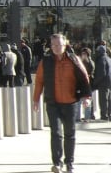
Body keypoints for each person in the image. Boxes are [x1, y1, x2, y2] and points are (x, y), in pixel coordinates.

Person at [33, 33, 91, 173]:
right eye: (54, 45)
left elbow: (84, 78)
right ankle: (57, 163)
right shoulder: (45, 62)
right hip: (53, 102)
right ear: (50, 46)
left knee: (70, 133)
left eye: (59, 45)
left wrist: (86, 96)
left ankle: (69, 163)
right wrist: (36, 100)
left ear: (65, 45)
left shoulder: (74, 60)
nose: (57, 48)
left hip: (70, 102)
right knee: (56, 133)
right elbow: (39, 81)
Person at [93, 45, 111, 120]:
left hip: (103, 83)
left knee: (103, 99)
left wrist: (95, 82)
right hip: (109, 82)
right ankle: (109, 114)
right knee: (109, 99)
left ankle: (104, 115)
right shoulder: (109, 59)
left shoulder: (101, 60)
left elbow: (101, 73)